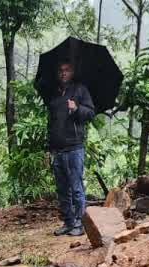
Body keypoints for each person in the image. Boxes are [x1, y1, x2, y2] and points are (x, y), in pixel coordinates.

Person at [45, 61, 95, 237]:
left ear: (72, 72)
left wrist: (77, 108)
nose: (63, 73)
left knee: (76, 187)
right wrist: (47, 148)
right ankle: (68, 222)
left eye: (66, 70)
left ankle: (81, 224)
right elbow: (50, 123)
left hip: (74, 147)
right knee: (62, 189)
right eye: (60, 70)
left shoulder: (80, 90)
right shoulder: (55, 94)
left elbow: (90, 113)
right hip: (57, 149)